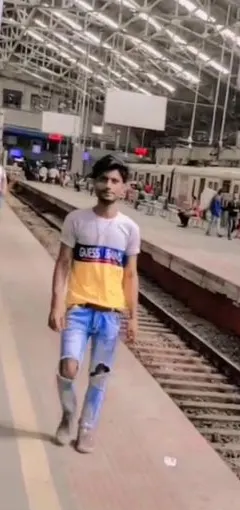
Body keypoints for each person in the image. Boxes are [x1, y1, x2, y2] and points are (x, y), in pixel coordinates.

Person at [47, 154, 140, 454]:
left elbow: (131, 274)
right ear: (94, 183)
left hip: (110, 316)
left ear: (125, 188)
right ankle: (68, 415)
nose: (108, 185)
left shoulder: (130, 229)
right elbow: (62, 264)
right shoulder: (76, 220)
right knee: (69, 368)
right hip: (78, 310)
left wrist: (133, 316)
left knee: (99, 375)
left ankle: (86, 428)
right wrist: (57, 305)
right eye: (103, 179)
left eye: (115, 181)